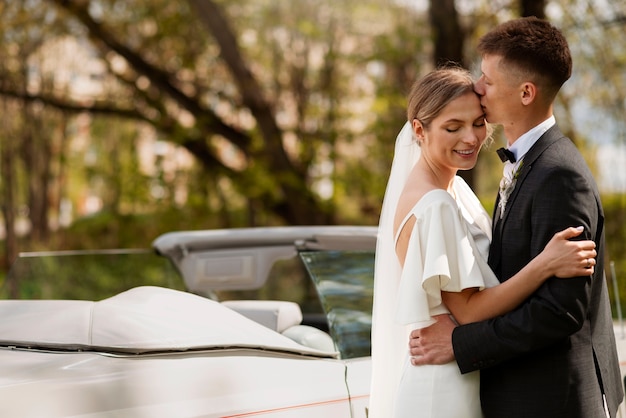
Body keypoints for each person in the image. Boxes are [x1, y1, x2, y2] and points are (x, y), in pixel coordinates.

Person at [408, 17, 623, 418]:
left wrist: (459, 343)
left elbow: (560, 312)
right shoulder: (528, 163)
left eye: (487, 79)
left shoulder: (559, 174)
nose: (477, 87)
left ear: (526, 92)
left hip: (551, 400)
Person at [368, 66, 598, 418]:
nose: (471, 138)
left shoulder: (452, 189)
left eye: (478, 122)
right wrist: (545, 264)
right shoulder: (435, 204)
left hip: (467, 371)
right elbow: (469, 310)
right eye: (452, 127)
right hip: (444, 382)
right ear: (419, 129)